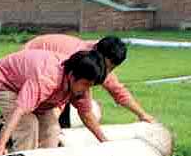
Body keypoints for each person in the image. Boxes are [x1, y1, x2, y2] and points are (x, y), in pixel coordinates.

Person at [0, 49, 108, 156]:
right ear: (71, 76)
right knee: (28, 124)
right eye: (85, 84)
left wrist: (105, 142)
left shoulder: (81, 84)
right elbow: (19, 111)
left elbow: (86, 114)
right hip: (6, 83)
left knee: (53, 129)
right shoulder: (47, 79)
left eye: (90, 86)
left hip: (35, 91)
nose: (86, 90)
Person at [25, 34, 155, 125]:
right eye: (107, 67)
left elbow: (118, 91)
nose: (107, 73)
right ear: (97, 53)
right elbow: (63, 89)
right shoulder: (77, 57)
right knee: (42, 108)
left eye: (112, 69)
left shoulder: (99, 60)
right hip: (32, 60)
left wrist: (142, 114)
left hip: (54, 68)